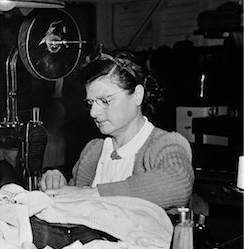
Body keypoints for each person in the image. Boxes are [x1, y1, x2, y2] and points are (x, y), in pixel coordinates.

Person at [39, 49, 194, 214]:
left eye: (105, 101)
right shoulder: (94, 150)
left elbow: (179, 184)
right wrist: (58, 184)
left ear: (137, 95)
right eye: (91, 103)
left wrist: (94, 194)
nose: (93, 112)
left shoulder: (166, 144)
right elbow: (75, 196)